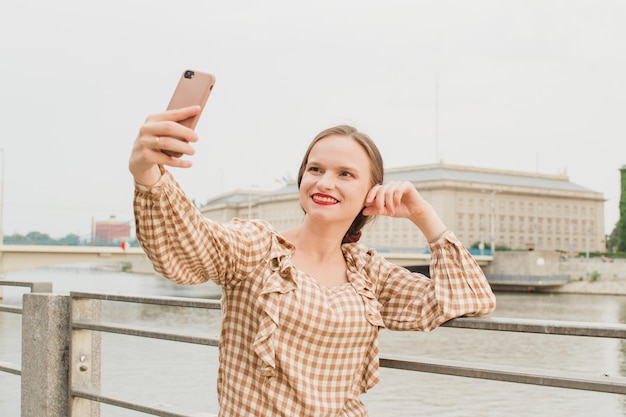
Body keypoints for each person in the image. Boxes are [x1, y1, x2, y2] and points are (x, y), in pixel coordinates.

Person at [129, 105, 496, 417]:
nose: (324, 183)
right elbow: (186, 244)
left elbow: (470, 298)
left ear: (371, 191)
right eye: (315, 169)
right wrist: (147, 171)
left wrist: (422, 213)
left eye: (345, 174)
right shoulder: (258, 248)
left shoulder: (368, 272)